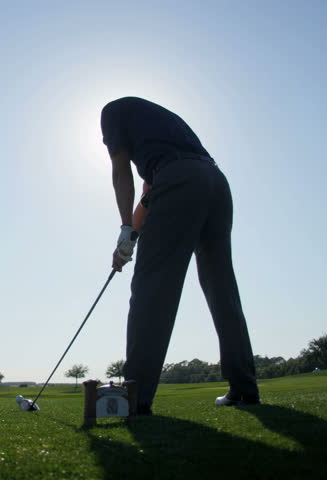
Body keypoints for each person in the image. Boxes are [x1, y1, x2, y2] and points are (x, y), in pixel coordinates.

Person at [100, 97, 260, 414]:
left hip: (180, 181)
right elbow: (150, 194)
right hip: (215, 183)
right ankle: (244, 389)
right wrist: (129, 239)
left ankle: (135, 398)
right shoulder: (162, 126)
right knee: (221, 288)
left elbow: (122, 174)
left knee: (152, 290)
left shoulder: (111, 112)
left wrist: (124, 229)